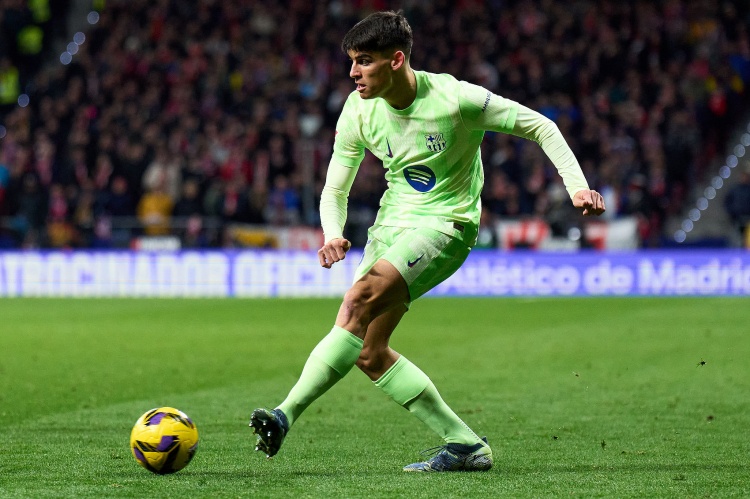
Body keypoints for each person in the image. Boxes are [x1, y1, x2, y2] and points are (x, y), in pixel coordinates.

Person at [250, 11, 605, 472]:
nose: (353, 72)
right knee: (368, 352)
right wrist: (333, 233)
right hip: (390, 226)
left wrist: (577, 187)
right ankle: (465, 445)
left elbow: (540, 125)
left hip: (446, 224)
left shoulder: (457, 99)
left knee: (356, 302)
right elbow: (335, 188)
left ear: (396, 60)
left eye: (364, 61)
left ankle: (283, 415)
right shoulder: (358, 109)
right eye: (352, 61)